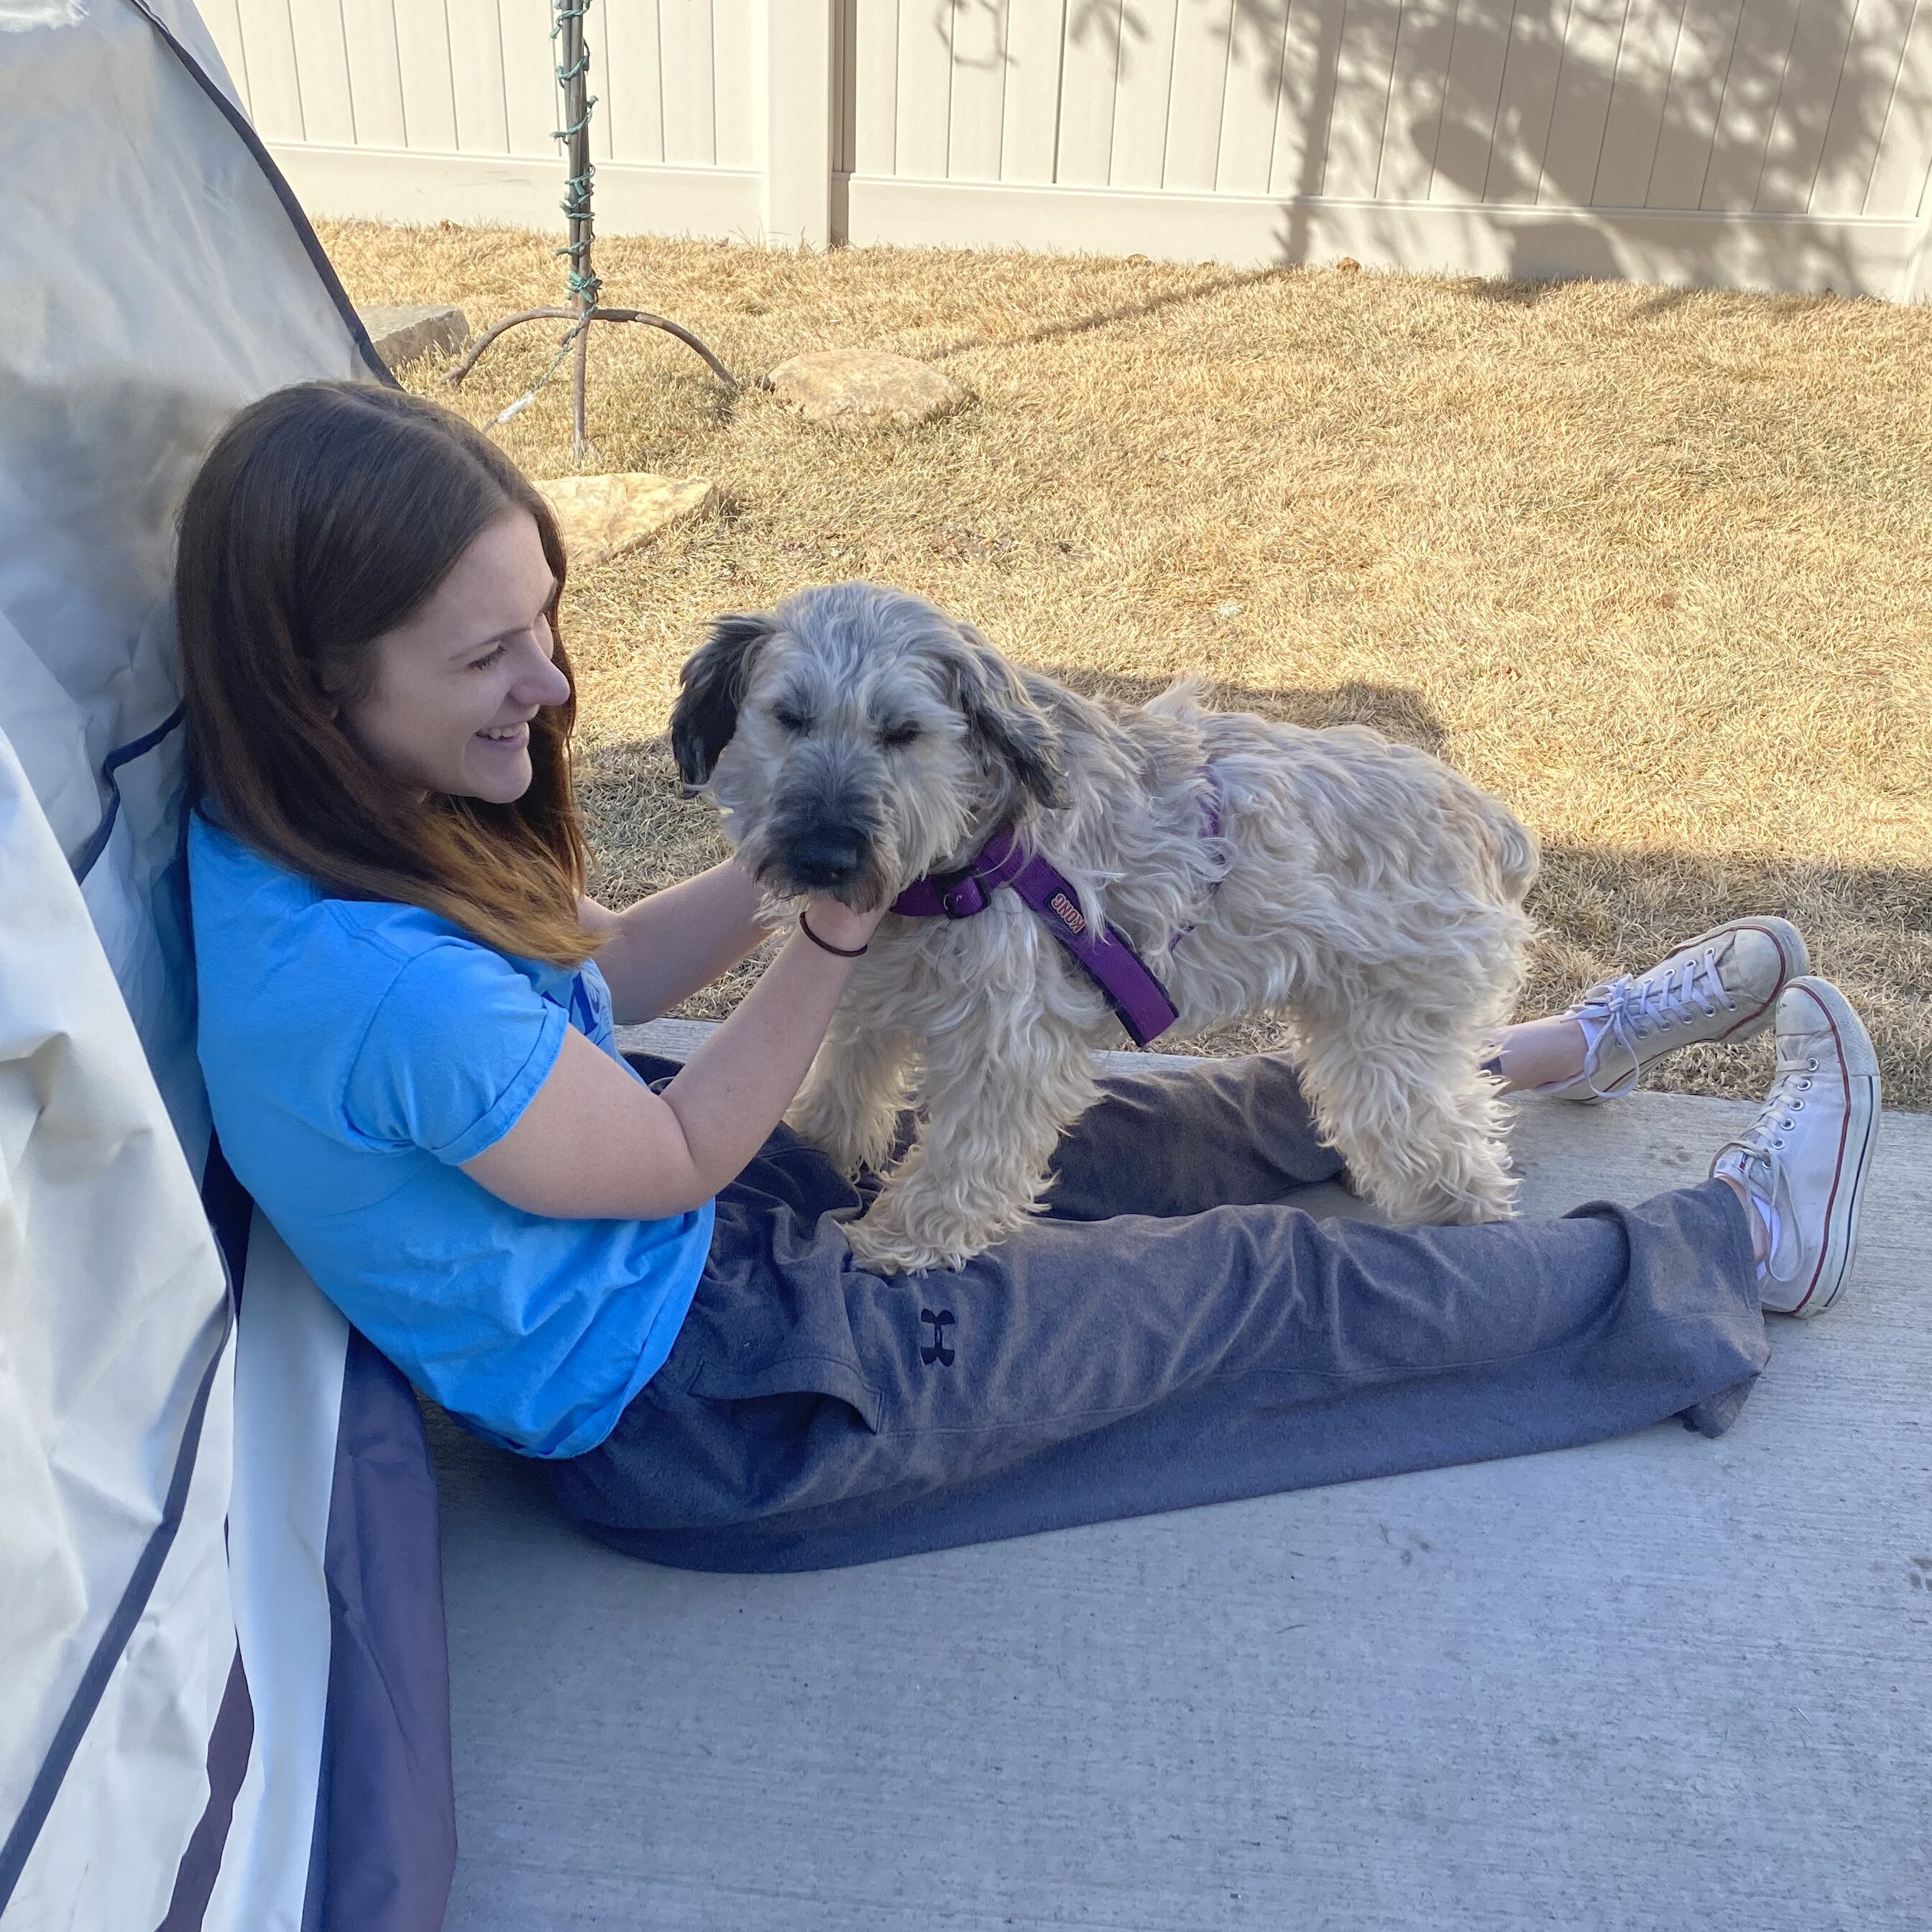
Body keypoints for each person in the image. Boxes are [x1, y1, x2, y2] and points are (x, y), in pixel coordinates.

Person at [178, 382, 1883, 1574]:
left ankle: (1537, 1051)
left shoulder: (329, 829)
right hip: (720, 1401)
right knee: (1260, 1287)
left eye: (548, 627)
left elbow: (607, 971)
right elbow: (678, 1151)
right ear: (313, 677)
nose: (553, 690)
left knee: (1150, 1128)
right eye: (492, 655)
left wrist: (793, 860)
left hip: (674, 1257)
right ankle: (1735, 1248)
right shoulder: (363, 981)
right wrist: (843, 917)